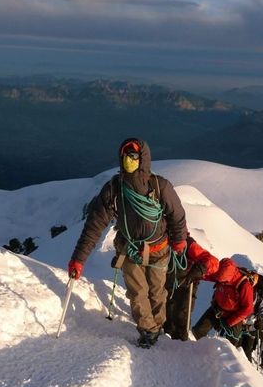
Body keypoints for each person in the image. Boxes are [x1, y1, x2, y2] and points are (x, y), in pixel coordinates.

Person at [68, 138, 187, 348]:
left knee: (157, 292)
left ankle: (158, 325)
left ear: (143, 159)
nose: (128, 161)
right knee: (137, 293)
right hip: (130, 249)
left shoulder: (159, 186)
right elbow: (94, 225)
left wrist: (179, 240)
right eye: (125, 156)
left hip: (159, 250)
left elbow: (176, 215)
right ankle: (148, 331)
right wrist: (79, 259)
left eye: (133, 157)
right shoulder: (114, 189)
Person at [191, 258, 258, 348]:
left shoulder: (244, 285)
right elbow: (211, 276)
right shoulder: (222, 272)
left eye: (224, 281)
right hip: (217, 309)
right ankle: (196, 351)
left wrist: (230, 322)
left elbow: (248, 309)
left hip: (233, 316)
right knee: (197, 331)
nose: (221, 282)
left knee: (230, 347)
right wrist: (199, 274)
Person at [164, 234, 219, 341]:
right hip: (170, 284)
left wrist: (200, 268)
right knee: (168, 316)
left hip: (187, 285)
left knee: (181, 316)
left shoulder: (188, 244)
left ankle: (181, 344)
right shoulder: (162, 239)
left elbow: (213, 262)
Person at [238, 289, 263, 363]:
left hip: (251, 327)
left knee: (247, 349)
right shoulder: (241, 297)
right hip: (238, 325)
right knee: (235, 348)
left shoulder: (259, 303)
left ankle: (247, 369)